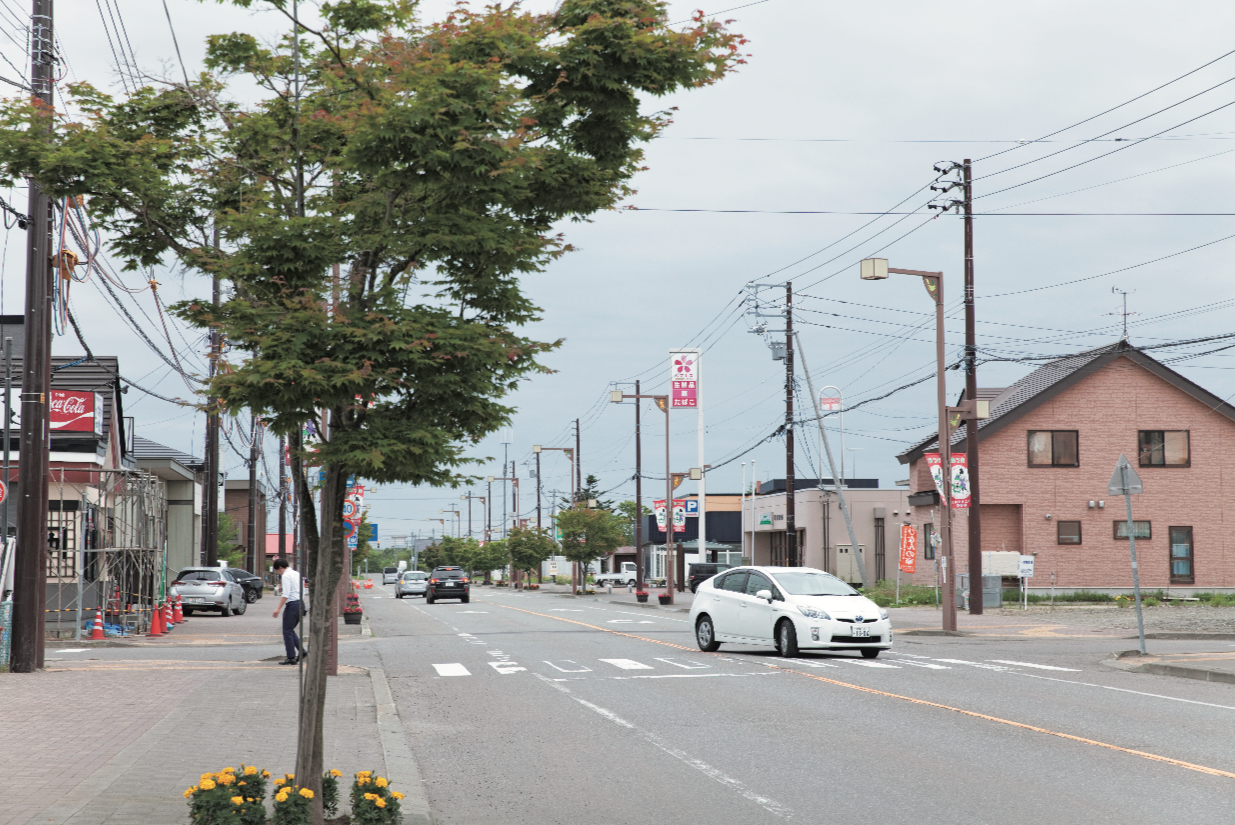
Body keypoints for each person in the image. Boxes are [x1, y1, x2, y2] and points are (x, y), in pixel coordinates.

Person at [272, 558, 303, 665]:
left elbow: (286, 594)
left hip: (292, 604)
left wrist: (278, 608)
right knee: (289, 630)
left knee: (287, 631)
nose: (278, 573)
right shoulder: (296, 573)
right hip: (300, 603)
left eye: (277, 571)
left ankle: (291, 657)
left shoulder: (286, 576)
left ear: (281, 568)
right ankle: (302, 651)